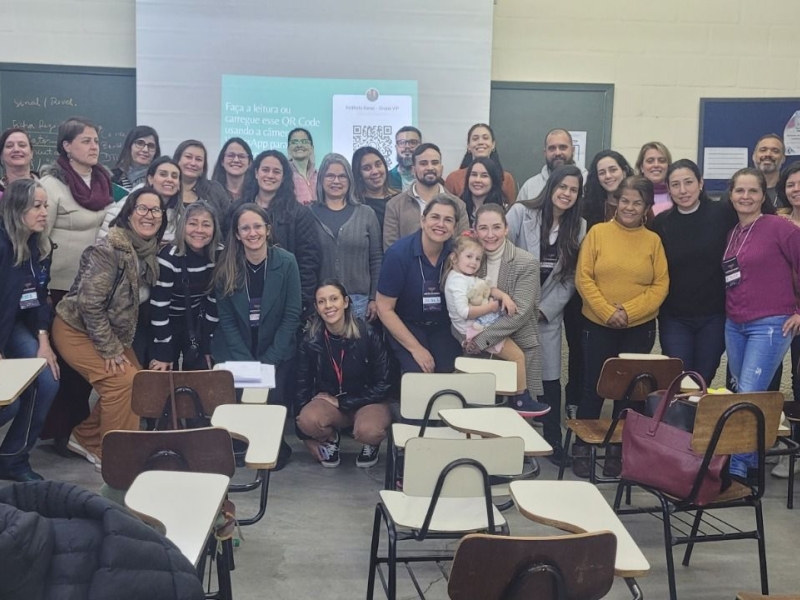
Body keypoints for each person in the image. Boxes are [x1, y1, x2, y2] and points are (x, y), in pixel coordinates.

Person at [52, 187, 167, 468]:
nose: (149, 215)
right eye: (142, 208)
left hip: (109, 331)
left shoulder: (149, 251)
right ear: (128, 214)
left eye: (156, 210)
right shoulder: (109, 249)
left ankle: (85, 438)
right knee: (122, 383)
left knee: (139, 382)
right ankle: (117, 459)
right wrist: (110, 349)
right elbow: (89, 304)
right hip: (76, 328)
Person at [574, 176, 669, 478]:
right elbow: (583, 278)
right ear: (616, 202)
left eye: (637, 203)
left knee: (630, 392)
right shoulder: (598, 233)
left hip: (638, 327)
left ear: (646, 206)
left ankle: (618, 450)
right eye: (624, 200)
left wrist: (628, 312)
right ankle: (584, 447)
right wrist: (606, 311)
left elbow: (660, 285)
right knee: (593, 387)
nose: (629, 207)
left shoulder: (653, 241)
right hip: (597, 324)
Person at [722, 167, 800, 480]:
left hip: (770, 324)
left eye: (753, 190)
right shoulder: (733, 233)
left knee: (748, 395)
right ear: (731, 195)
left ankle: (737, 470)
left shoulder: (779, 227)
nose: (746, 196)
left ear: (762, 195)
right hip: (735, 323)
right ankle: (751, 461)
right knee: (741, 393)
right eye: (739, 190)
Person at [38, 117, 111, 445]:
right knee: (65, 368)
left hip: (94, 290)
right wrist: (42, 289)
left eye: (96, 140)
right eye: (86, 140)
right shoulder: (51, 185)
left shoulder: (104, 181)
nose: (94, 146)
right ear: (67, 146)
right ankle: (57, 432)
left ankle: (75, 431)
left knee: (83, 369)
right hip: (59, 290)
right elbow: (40, 240)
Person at [506, 165, 586, 462]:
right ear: (551, 186)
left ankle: (552, 442)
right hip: (513, 309)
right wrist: (517, 303)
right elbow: (500, 255)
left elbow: (571, 277)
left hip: (546, 314)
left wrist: (544, 310)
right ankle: (511, 445)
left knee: (550, 379)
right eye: (562, 187)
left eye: (573, 190)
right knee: (514, 378)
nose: (566, 193)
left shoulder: (579, 226)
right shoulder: (520, 213)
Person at [212, 204, 301, 464]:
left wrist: (269, 360)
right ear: (237, 234)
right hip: (236, 346)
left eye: (257, 226)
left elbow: (292, 314)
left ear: (268, 230)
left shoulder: (287, 262)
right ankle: (240, 442)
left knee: (273, 394)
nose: (253, 233)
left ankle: (272, 444)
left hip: (276, 346)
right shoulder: (226, 266)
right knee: (239, 396)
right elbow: (226, 319)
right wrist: (247, 363)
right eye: (245, 228)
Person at [651, 159, 737, 385]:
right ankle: (678, 411)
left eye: (688, 182)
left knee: (703, 378)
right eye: (675, 185)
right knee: (680, 378)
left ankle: (696, 410)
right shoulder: (661, 223)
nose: (683, 190)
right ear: (668, 189)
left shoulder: (724, 214)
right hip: (674, 317)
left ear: (700, 183)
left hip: (715, 315)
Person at [443, 234, 547, 416]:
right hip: (476, 331)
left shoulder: (465, 276)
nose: (474, 262)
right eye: (469, 257)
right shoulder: (456, 281)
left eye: (478, 259)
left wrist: (504, 297)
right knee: (517, 358)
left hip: (480, 326)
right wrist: (491, 307)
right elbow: (464, 312)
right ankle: (521, 399)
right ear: (454, 258)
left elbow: (488, 288)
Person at [295, 280, 393, 468]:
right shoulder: (310, 340)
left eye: (334, 299)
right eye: (322, 301)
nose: (328, 306)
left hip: (368, 401)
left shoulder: (368, 334)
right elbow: (301, 386)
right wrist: (306, 437)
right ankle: (331, 438)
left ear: (346, 302)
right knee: (307, 419)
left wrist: (344, 402)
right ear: (317, 307)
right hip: (332, 403)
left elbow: (385, 384)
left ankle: (371, 444)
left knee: (369, 430)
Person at [0, 180, 59, 481]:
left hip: (14, 326)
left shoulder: (37, 244)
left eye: (45, 205)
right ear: (15, 208)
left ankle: (13, 459)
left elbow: (38, 297)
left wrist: (43, 340)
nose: (44, 212)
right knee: (8, 405)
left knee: (47, 379)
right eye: (36, 206)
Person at [463, 204, 547, 410]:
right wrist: (465, 338)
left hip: (516, 348)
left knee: (516, 421)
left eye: (496, 227)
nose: (490, 235)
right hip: (477, 353)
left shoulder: (526, 262)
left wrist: (481, 340)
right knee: (479, 416)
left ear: (506, 228)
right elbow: (459, 304)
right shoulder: (470, 260)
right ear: (475, 230)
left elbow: (520, 313)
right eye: (483, 228)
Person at [376, 195, 462, 374]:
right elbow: (384, 308)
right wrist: (416, 349)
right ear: (423, 221)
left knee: (450, 373)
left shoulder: (457, 255)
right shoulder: (398, 254)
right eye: (435, 217)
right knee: (419, 374)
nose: (440, 224)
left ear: (454, 228)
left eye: (448, 220)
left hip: (443, 326)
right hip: (407, 324)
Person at [235, 150, 320, 316]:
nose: (270, 175)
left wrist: (301, 303)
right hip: (242, 296)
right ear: (256, 173)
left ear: (284, 177)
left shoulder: (299, 214)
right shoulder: (236, 210)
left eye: (276, 171)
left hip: (284, 302)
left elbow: (308, 262)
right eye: (265, 170)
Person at [149, 202, 220, 371]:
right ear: (183, 227)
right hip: (166, 322)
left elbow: (213, 304)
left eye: (206, 225)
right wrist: (164, 350)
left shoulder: (218, 255)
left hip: (197, 322)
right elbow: (159, 308)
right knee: (163, 372)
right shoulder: (168, 258)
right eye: (193, 223)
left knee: (203, 371)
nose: (199, 230)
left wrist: (207, 345)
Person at [311, 153, 382, 321]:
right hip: (322, 302)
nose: (336, 181)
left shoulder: (367, 214)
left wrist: (374, 298)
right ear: (321, 179)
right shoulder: (308, 214)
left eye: (342, 176)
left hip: (360, 302)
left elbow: (376, 259)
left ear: (350, 180)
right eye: (330, 176)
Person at [382, 143, 469, 250]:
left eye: (435, 163)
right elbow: (391, 250)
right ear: (413, 170)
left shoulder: (459, 205)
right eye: (423, 163)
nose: (430, 167)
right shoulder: (395, 205)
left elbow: (464, 247)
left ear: (441, 168)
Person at [772, 161, 800, 478]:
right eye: (791, 184)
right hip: (778, 314)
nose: (796, 189)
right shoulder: (778, 222)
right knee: (775, 381)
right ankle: (778, 445)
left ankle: (797, 452)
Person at [100, 156, 183, 242]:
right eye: (163, 174)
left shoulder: (179, 219)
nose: (169, 179)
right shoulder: (124, 206)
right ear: (150, 179)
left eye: (174, 176)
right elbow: (104, 242)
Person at [444, 123, 517, 204]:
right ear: (468, 146)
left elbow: (510, 208)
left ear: (493, 145)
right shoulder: (454, 179)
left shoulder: (506, 178)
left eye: (485, 138)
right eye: (475, 139)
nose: (480, 142)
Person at [517, 128, 587, 201]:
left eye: (562, 147)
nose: (557, 153)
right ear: (545, 153)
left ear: (573, 150)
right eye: (552, 148)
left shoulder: (588, 182)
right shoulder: (529, 187)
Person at [172, 139, 231, 219]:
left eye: (198, 159)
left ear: (204, 166)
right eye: (188, 157)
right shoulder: (167, 188)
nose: (193, 163)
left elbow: (229, 221)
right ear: (177, 160)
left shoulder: (215, 190)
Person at [583, 150, 635, 230]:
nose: (608, 176)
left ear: (624, 172)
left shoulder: (640, 204)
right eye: (602, 173)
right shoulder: (587, 208)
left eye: (613, 170)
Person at [352, 145, 398, 232]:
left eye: (378, 164)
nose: (375, 171)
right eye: (367, 168)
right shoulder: (355, 204)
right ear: (359, 175)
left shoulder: (399, 199)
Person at [459, 156, 507, 226]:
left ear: (493, 180)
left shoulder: (504, 211)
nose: (477, 180)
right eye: (474, 175)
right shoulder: (458, 207)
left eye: (484, 176)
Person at [111, 126, 160, 191]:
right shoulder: (113, 178)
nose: (145, 150)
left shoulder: (160, 179)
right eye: (140, 143)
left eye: (151, 146)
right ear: (129, 145)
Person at [635, 141, 672, 215]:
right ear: (641, 167)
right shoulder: (633, 193)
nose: (656, 165)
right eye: (650, 161)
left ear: (668, 166)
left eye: (662, 161)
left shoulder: (677, 194)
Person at [211, 137, 253, 201]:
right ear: (222, 161)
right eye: (231, 155)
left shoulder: (255, 195)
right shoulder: (210, 192)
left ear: (249, 163)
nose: (236, 160)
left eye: (241, 156)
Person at [0, 127, 38, 194]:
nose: (16, 149)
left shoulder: (48, 185)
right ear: (1, 155)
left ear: (31, 153)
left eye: (22, 145)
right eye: (9, 146)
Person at [287, 127, 318, 205]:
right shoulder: (284, 175)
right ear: (288, 149)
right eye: (294, 142)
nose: (299, 145)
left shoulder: (319, 176)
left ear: (312, 148)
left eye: (304, 142)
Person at [387, 126, 421, 191]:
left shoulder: (429, 177)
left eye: (413, 142)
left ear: (420, 146)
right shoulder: (386, 179)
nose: (407, 146)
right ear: (396, 147)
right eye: (402, 142)